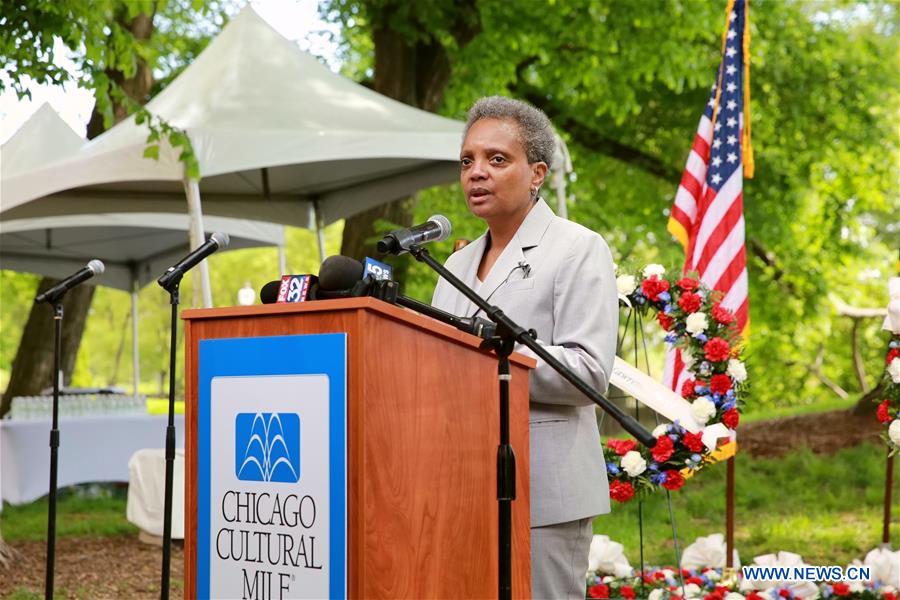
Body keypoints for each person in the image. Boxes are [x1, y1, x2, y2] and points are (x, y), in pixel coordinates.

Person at [431, 96, 618, 599]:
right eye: (467, 161)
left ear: (537, 173)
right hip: (463, 484)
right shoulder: (452, 267)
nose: (477, 173)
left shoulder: (577, 248)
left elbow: (589, 373)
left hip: (544, 495)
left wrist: (490, 358)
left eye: (496, 159)